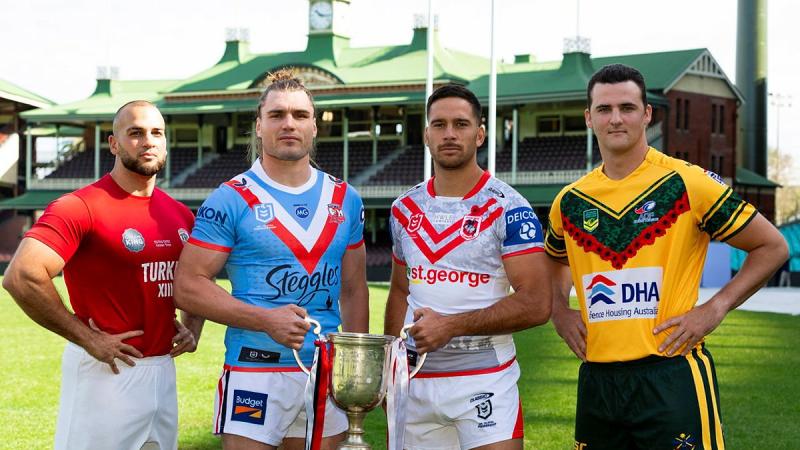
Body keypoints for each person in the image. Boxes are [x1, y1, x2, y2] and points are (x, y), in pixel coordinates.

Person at [545, 64, 789, 450]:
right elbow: (557, 259)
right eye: (604, 109)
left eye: (627, 107)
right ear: (589, 117)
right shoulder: (570, 200)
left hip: (672, 374)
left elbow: (772, 246)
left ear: (647, 114)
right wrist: (559, 310)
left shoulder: (687, 182)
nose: (616, 118)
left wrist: (716, 307)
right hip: (598, 379)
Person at [173, 69, 369, 450]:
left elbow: (353, 288)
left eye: (300, 115)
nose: (289, 124)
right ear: (259, 127)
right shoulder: (230, 198)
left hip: (324, 373)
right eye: (277, 115)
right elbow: (188, 286)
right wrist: (265, 320)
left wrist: (354, 367)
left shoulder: (346, 199)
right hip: (254, 369)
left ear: (315, 127)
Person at [2, 100, 203, 450]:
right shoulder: (79, 206)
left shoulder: (180, 215)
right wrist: (87, 338)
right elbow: (22, 275)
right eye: (136, 133)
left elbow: (199, 276)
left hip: (162, 371)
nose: (148, 141)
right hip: (106, 367)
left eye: (157, 133)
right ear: (114, 144)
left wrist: (193, 326)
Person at [384, 84, 552, 450]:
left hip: (485, 379)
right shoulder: (404, 209)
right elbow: (400, 291)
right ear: (426, 134)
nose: (449, 134)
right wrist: (389, 369)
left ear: (479, 134)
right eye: (439, 124)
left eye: (460, 124)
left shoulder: (510, 207)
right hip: (415, 381)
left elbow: (538, 303)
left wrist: (452, 326)